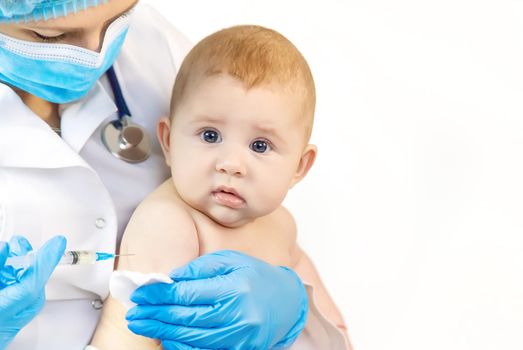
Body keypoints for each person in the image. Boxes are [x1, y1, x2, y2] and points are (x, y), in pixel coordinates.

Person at [0, 1, 322, 349]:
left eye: (114, 20)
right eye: (52, 34)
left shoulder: (160, 47)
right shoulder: (167, 226)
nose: (97, 51)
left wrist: (296, 309)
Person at [89, 25, 351, 349]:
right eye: (210, 136)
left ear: (299, 166)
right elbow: (137, 335)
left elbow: (318, 303)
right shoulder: (170, 224)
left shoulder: (281, 224)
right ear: (169, 142)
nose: (231, 164)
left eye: (259, 145)